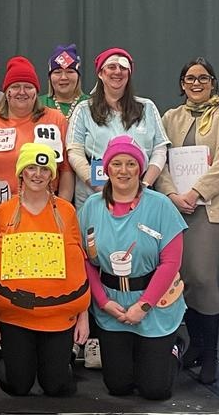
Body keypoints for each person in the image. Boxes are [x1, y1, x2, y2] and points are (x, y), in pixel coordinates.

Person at [155, 58, 219, 384]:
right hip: (174, 208)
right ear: (182, 84)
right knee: (183, 278)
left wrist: (195, 192)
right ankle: (195, 344)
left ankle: (211, 353)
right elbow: (159, 159)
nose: (196, 83)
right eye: (190, 78)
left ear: (213, 82)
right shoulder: (169, 117)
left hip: (210, 207)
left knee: (203, 276)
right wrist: (171, 194)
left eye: (203, 78)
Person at [78, 136, 188, 400]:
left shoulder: (160, 205)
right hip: (112, 304)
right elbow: (84, 260)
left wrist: (144, 305)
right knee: (118, 386)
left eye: (131, 164)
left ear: (141, 168)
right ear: (107, 168)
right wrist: (103, 302)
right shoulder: (91, 207)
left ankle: (173, 348)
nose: (123, 170)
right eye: (116, 164)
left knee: (155, 390)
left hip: (154, 304)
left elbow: (171, 263)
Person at [0, 143, 90, 396]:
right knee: (17, 386)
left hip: (58, 316)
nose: (37, 174)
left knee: (56, 386)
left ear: (52, 175)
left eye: (44, 169)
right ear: (21, 172)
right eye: (31, 167)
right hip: (14, 316)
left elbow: (77, 263)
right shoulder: (3, 212)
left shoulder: (66, 211)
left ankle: (62, 358)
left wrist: (83, 314)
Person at [0, 56, 73, 216]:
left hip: (42, 211)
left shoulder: (56, 120)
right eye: (15, 86)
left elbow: (66, 170)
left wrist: (61, 210)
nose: (22, 92)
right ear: (6, 92)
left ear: (36, 91)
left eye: (28, 87)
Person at [67, 47, 170, 206]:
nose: (117, 71)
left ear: (129, 73)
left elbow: (160, 150)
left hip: (140, 197)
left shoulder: (147, 107)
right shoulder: (83, 109)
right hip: (95, 195)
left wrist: (144, 186)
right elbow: (75, 152)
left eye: (123, 67)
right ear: (101, 73)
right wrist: (99, 188)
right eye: (111, 67)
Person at [39, 44, 89, 117]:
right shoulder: (38, 105)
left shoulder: (91, 105)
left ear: (78, 76)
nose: (63, 77)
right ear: (50, 77)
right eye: (57, 72)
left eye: (70, 72)